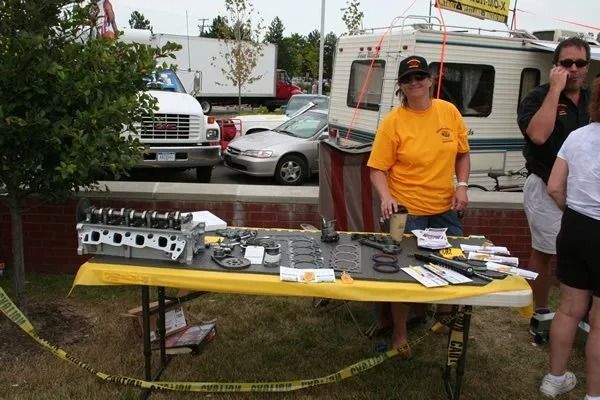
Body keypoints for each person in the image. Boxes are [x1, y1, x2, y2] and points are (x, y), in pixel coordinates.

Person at [367, 55, 470, 352]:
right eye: (408, 79)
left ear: (430, 80)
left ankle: (445, 320)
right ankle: (400, 333)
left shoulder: (449, 112)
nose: (415, 83)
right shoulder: (393, 123)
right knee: (403, 275)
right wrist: (386, 196)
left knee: (453, 266)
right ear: (401, 86)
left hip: (446, 210)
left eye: (420, 77)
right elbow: (377, 169)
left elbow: (462, 153)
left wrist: (461, 186)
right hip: (407, 214)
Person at [517, 37, 591, 314]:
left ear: (586, 67)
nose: (573, 68)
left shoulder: (591, 101)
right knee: (545, 250)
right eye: (566, 63)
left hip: (583, 191)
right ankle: (539, 309)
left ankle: (579, 311)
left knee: (582, 252)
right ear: (555, 66)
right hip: (546, 185)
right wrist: (555, 90)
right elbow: (537, 135)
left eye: (580, 63)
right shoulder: (537, 97)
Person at [540, 77, 600, 400]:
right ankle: (594, 394)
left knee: (567, 309)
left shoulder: (577, 136)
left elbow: (553, 186)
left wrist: (574, 211)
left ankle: (554, 378)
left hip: (575, 226)